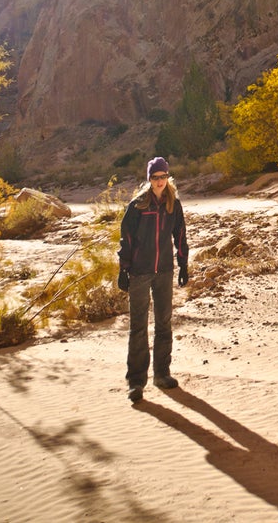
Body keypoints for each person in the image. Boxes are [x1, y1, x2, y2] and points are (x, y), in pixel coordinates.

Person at [117, 156, 189, 403]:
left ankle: (162, 374)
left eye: (163, 177)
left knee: (164, 324)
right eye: (155, 177)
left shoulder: (173, 204)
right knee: (138, 327)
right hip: (140, 272)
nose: (159, 181)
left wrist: (183, 265)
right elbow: (125, 239)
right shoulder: (138, 205)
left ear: (168, 177)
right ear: (149, 179)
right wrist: (123, 269)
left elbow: (180, 236)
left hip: (164, 272)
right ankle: (136, 382)